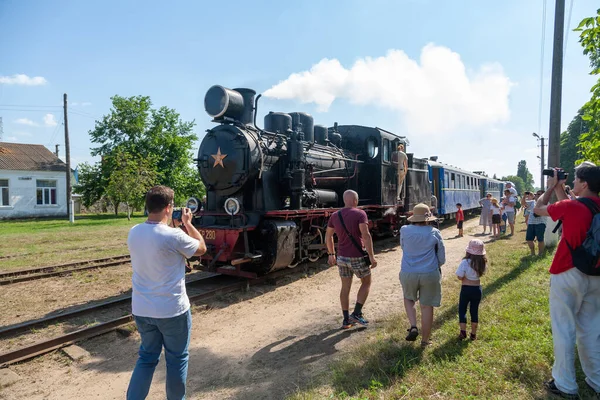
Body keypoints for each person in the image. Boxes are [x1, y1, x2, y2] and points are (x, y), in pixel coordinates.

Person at [126, 186, 207, 400]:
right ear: (169, 208)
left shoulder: (134, 231)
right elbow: (201, 248)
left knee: (146, 357)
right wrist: (188, 224)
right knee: (177, 359)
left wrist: (176, 228)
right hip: (172, 311)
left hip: (142, 309)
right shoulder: (174, 236)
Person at [533, 166, 600, 399]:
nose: (573, 181)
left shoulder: (573, 206)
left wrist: (552, 187)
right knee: (591, 330)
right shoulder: (589, 206)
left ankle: (565, 384)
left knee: (564, 328)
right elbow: (569, 212)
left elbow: (538, 209)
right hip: (596, 275)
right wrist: (562, 189)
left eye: (575, 180)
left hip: (567, 272)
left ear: (583, 184)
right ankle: (596, 380)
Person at [326, 190, 377, 330]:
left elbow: (328, 236)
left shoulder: (335, 215)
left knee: (345, 287)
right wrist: (372, 257)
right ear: (355, 200)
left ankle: (346, 320)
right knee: (366, 282)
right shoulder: (360, 214)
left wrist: (331, 254)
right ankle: (357, 313)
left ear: (344, 200)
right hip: (357, 256)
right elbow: (365, 236)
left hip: (341, 257)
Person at [400, 203, 446, 347]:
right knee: (426, 306)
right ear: (428, 218)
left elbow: (403, 247)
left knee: (408, 298)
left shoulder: (404, 230)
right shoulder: (434, 232)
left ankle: (413, 326)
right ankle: (425, 341)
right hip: (429, 273)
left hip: (408, 272)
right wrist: (435, 265)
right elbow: (442, 257)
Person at [455, 239, 487, 341]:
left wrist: (464, 277)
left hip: (466, 289)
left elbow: (459, 276)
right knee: (474, 311)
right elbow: (483, 273)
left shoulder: (465, 262)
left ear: (468, 251)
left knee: (462, 310)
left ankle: (463, 332)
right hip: (477, 289)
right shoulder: (483, 262)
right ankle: (473, 334)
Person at [526, 192, 546, 256]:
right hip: (531, 223)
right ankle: (532, 253)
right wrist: (524, 196)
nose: (536, 195)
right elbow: (523, 204)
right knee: (529, 239)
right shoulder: (532, 202)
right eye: (536, 194)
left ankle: (540, 253)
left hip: (540, 223)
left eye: (539, 194)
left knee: (540, 239)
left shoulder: (545, 203)